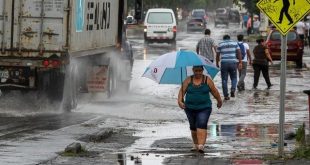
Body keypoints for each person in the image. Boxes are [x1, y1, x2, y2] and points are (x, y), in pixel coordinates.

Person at [178, 65, 222, 153]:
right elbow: (181, 92)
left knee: (201, 123)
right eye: (196, 71)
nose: (198, 73)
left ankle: (201, 146)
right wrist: (180, 101)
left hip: (204, 107)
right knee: (193, 126)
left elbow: (214, 91)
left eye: (200, 71)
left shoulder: (207, 80)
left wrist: (219, 100)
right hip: (189, 108)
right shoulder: (188, 80)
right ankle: (195, 144)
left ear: (202, 70)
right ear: (193, 70)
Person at [216, 35, 242, 100]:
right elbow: (239, 52)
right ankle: (233, 89)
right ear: (229, 38)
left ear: (223, 39)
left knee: (224, 79)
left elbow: (217, 55)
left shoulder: (220, 44)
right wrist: (240, 62)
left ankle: (226, 96)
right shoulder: (235, 43)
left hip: (224, 63)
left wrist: (217, 63)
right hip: (233, 62)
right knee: (234, 78)